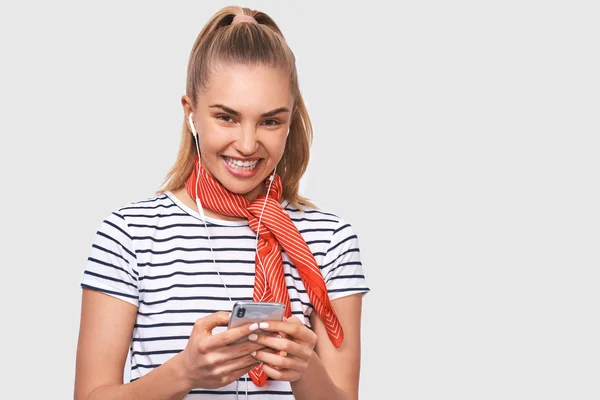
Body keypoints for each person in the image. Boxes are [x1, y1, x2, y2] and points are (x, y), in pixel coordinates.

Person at [74, 5, 369, 400]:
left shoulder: (331, 240)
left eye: (270, 121)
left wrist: (305, 371)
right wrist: (184, 373)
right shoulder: (130, 235)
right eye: (227, 117)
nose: (247, 144)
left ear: (291, 119)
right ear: (191, 114)